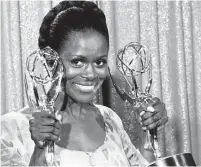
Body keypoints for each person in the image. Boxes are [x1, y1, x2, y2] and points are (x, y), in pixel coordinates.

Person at [1, 1, 168, 166]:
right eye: (77, 62)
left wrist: (151, 131)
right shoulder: (13, 128)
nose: (91, 74)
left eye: (100, 62)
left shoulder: (109, 119)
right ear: (50, 62)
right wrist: (40, 150)